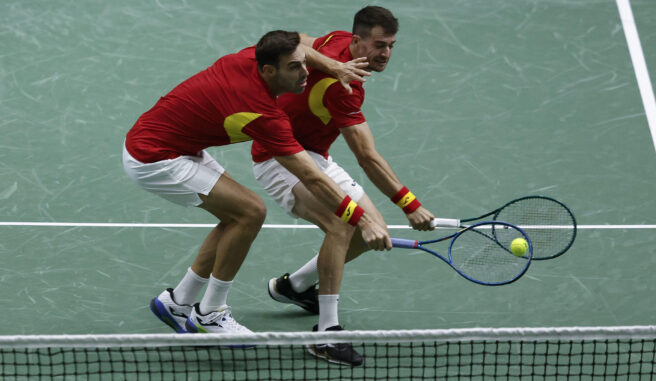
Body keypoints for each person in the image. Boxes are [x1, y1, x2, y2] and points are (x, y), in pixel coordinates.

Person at [122, 30, 391, 337]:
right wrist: (363, 220)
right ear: (269, 71)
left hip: (174, 142)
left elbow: (300, 46)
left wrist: (334, 66)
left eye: (304, 64)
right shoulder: (262, 113)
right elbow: (313, 177)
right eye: (294, 68)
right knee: (250, 211)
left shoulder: (254, 55)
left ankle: (178, 301)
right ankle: (210, 313)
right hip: (154, 156)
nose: (305, 72)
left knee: (233, 215)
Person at [251, 7, 435, 366]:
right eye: (379, 45)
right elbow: (366, 156)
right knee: (344, 223)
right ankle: (326, 334)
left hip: (315, 155)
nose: (386, 54)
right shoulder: (343, 90)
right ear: (357, 40)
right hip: (279, 158)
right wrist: (409, 204)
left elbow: (299, 39)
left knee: (373, 228)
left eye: (392, 46)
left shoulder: (335, 42)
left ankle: (295, 286)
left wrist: (332, 63)